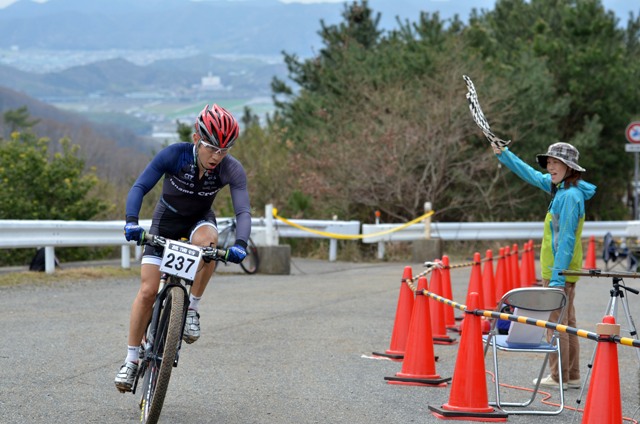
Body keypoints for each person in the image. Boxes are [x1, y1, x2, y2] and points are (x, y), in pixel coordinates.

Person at [114, 104, 251, 393]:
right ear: (195, 139)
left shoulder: (230, 168)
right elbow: (139, 187)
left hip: (199, 222)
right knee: (148, 290)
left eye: (224, 150)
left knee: (210, 246)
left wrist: (240, 243)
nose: (217, 156)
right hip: (166, 221)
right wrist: (131, 222)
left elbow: (243, 212)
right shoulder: (173, 155)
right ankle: (131, 358)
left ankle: (192, 309)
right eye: (212, 148)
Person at [492, 142, 596, 389]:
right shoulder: (562, 188)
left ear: (570, 167)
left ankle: (559, 376)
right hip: (562, 270)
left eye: (556, 162)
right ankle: (570, 376)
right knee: (567, 322)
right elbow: (530, 174)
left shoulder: (569, 196)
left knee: (555, 324)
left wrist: (557, 279)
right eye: (549, 162)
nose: (550, 167)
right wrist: (505, 155)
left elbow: (567, 239)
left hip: (558, 272)